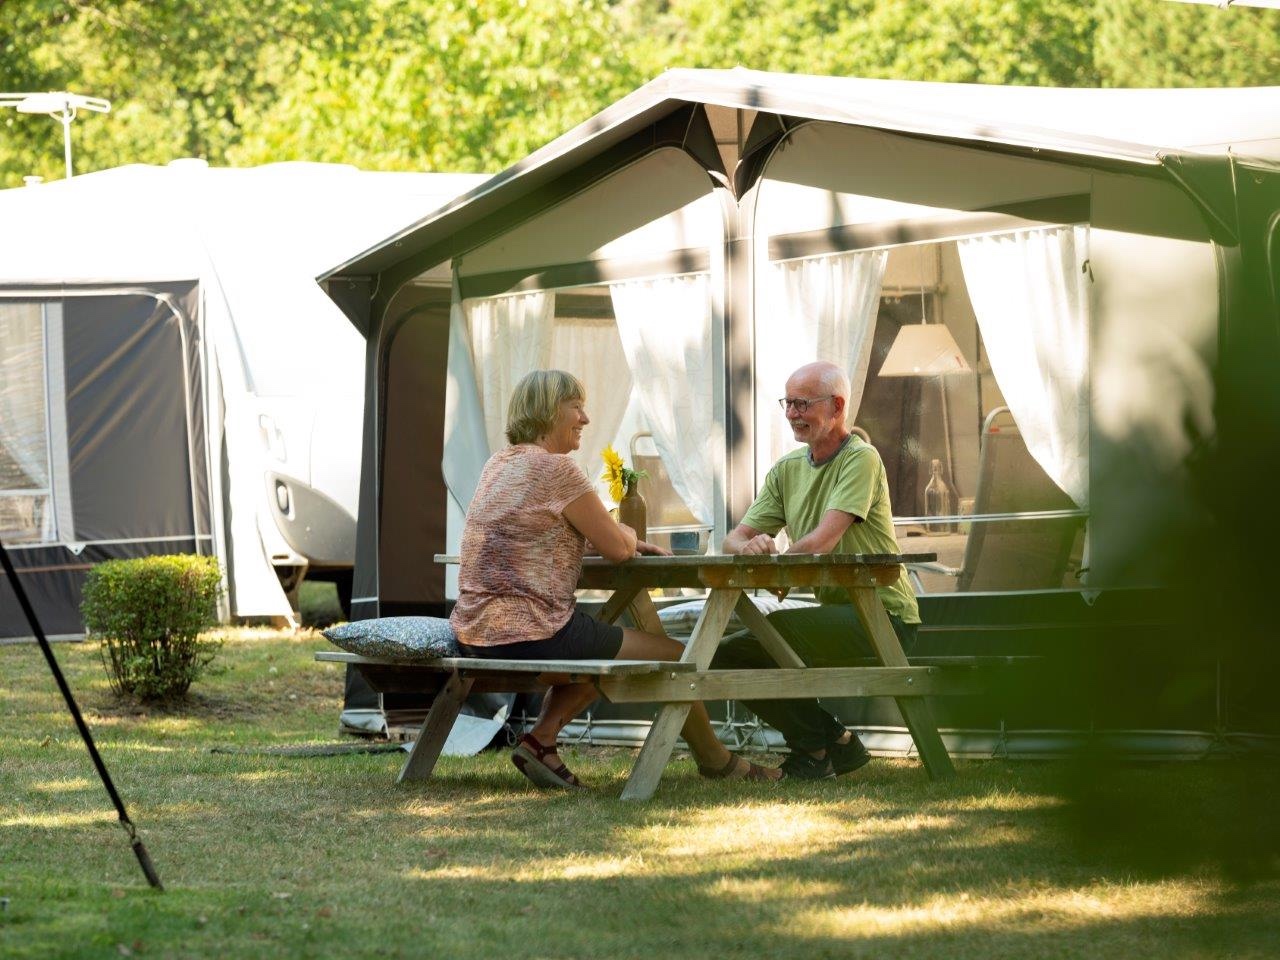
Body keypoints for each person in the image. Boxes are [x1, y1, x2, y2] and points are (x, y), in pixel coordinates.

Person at [450, 369, 780, 788]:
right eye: (576, 407)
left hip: (474, 632)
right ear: (549, 411)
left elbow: (538, 533)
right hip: (533, 632)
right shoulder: (556, 469)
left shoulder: (498, 465)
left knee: (602, 641)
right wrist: (626, 535)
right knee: (678, 655)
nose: (585, 418)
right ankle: (716, 761)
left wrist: (605, 539)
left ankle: (542, 742)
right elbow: (619, 550)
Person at [712, 361, 921, 780]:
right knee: (728, 652)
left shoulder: (860, 458)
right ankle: (831, 741)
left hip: (885, 616)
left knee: (749, 645)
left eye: (802, 404)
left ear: (837, 406)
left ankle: (816, 748)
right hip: (841, 613)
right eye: (788, 403)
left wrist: (776, 571)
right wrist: (750, 546)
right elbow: (731, 539)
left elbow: (822, 541)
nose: (792, 413)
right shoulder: (787, 469)